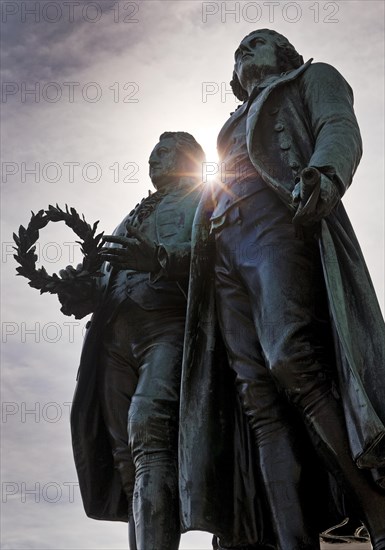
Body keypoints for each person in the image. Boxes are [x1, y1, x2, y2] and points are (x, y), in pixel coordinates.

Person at [180, 29, 385, 549]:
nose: (244, 52)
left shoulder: (311, 77)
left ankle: (376, 505)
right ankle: (293, 539)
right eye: (239, 50)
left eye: (258, 43)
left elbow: (339, 126)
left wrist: (326, 174)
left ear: (285, 54)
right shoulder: (228, 123)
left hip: (279, 223)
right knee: (257, 399)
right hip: (224, 247)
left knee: (292, 357)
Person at [58, 131, 205, 550]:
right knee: (127, 459)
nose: (153, 158)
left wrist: (159, 259)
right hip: (112, 344)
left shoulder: (205, 200)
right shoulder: (129, 216)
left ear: (189, 158)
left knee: (149, 431)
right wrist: (82, 291)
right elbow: (108, 276)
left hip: (168, 328)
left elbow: (219, 254)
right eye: (152, 152)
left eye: (164, 151)